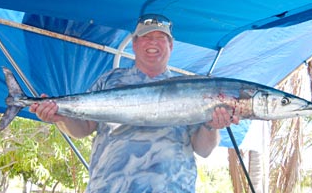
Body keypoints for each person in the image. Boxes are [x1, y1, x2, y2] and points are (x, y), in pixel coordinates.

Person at [29, 14, 239, 192]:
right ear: (135, 43)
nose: (153, 43)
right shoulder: (109, 80)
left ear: (171, 45)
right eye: (146, 37)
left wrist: (211, 125)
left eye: (161, 37)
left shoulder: (192, 88)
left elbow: (203, 150)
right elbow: (82, 129)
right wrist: (61, 116)